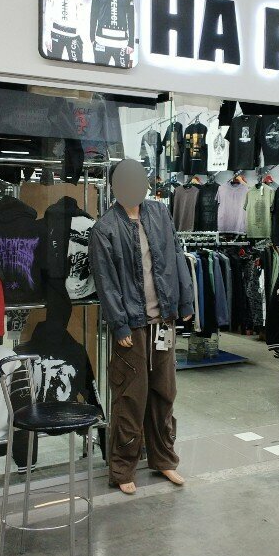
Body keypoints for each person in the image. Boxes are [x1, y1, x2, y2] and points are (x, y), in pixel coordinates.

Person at [89, 159, 193, 494]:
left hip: (163, 321)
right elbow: (106, 282)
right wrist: (119, 325)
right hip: (131, 325)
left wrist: (185, 303)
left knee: (164, 392)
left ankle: (164, 459)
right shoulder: (105, 228)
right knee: (130, 397)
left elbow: (176, 256)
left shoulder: (159, 213)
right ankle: (122, 469)